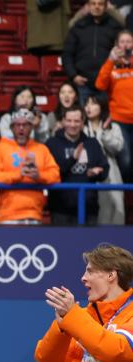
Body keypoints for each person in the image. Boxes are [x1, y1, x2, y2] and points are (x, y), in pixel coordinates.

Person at [0, 108, 61, 224]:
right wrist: (17, 175)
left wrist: (39, 176)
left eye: (25, 125)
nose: (21, 128)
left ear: (31, 127)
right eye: (17, 125)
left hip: (35, 215)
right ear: (12, 128)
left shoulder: (42, 149)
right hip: (8, 217)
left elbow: (56, 176)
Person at [46, 105, 109, 225]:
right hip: (60, 210)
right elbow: (53, 173)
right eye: (69, 121)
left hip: (89, 209)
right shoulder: (52, 144)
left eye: (76, 121)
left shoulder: (92, 143)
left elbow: (104, 169)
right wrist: (73, 158)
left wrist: (97, 173)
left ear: (82, 123)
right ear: (63, 121)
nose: (73, 125)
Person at [63, 0, 122, 101]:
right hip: (83, 84)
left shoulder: (115, 27)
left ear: (106, 7)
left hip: (107, 82)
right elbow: (67, 54)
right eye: (93, 4)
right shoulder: (78, 27)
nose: (96, 7)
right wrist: (73, 75)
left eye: (100, 4)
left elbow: (121, 54)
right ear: (88, 6)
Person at [96, 30, 133, 180]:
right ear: (117, 45)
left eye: (129, 41)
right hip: (119, 121)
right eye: (122, 42)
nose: (126, 45)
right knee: (126, 162)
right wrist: (110, 60)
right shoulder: (111, 66)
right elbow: (99, 85)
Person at [83, 92, 125, 224]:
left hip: (111, 175)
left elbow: (117, 148)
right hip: (87, 175)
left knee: (113, 213)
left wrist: (105, 133)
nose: (88, 107)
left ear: (102, 106)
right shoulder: (81, 128)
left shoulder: (113, 127)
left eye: (93, 103)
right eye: (86, 104)